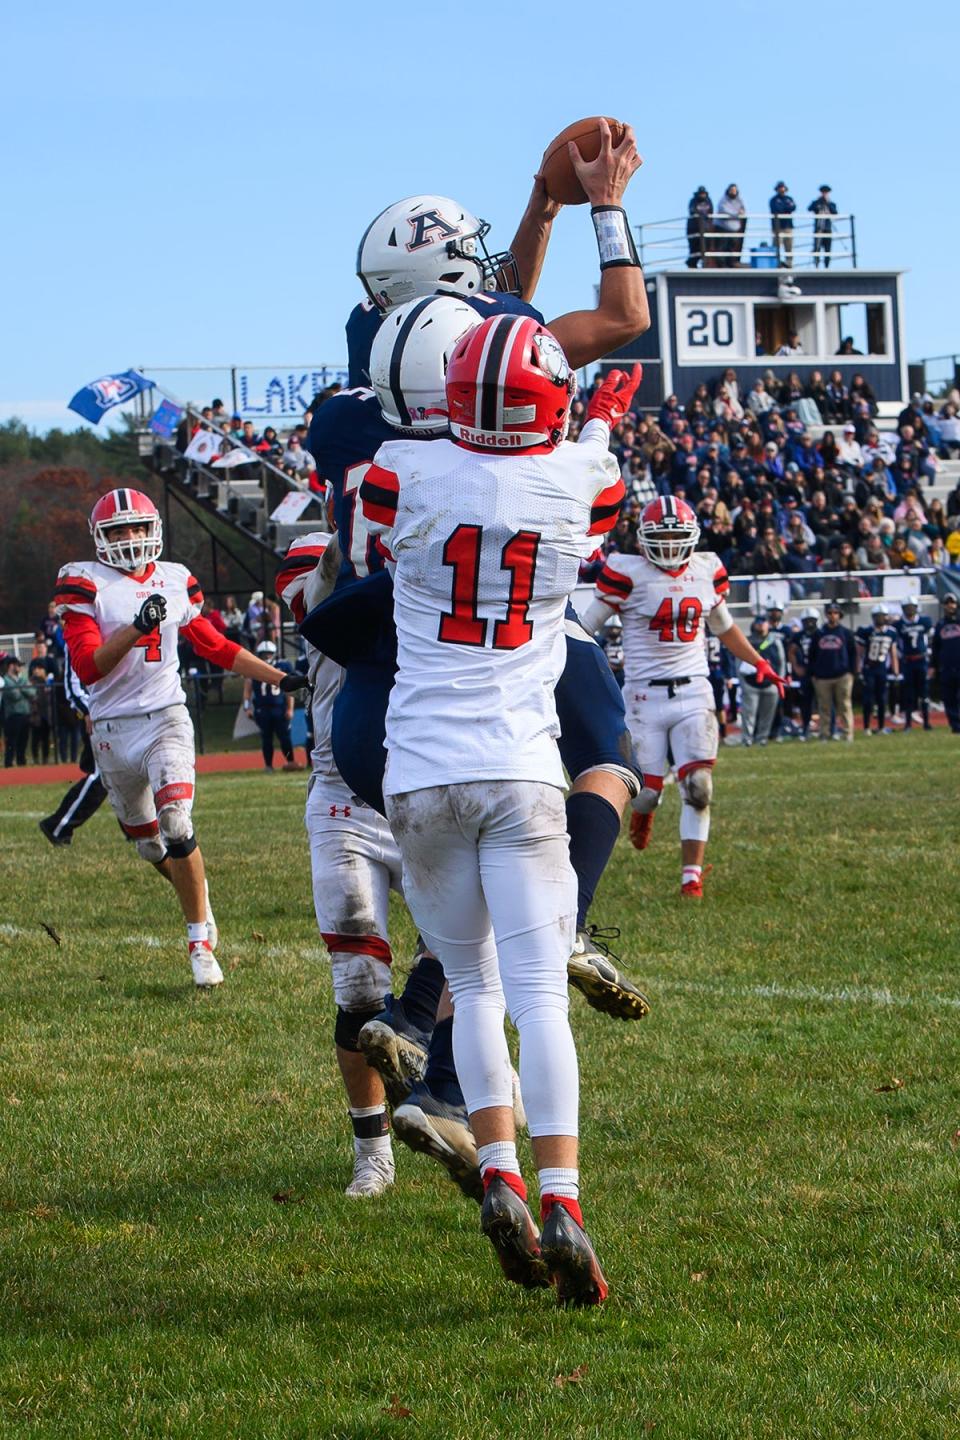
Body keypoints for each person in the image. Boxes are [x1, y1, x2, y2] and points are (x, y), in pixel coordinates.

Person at [360, 317, 630, 1306]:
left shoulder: (402, 467)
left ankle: (501, 1171)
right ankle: (560, 1195)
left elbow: (389, 500)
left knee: (470, 994)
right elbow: (590, 478)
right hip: (521, 767)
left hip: (423, 768)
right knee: (539, 1000)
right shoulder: (583, 478)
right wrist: (592, 422)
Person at [53, 488, 308, 987]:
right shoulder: (85, 583)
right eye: (119, 531)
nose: (130, 539)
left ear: (154, 530)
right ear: (99, 538)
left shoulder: (174, 579)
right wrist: (134, 626)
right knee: (149, 846)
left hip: (165, 717)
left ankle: (198, 943)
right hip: (111, 730)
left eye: (137, 528)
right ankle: (201, 898)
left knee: (175, 820)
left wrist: (277, 677)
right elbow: (88, 668)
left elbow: (214, 644)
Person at [583, 495, 787, 897]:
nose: (672, 544)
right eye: (665, 535)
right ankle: (645, 815)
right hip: (644, 697)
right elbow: (588, 626)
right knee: (646, 795)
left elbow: (725, 627)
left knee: (699, 787)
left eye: (679, 535)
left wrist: (758, 661)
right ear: (643, 539)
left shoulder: (706, 570)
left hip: (694, 689)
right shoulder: (628, 572)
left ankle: (691, 878)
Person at [39, 649, 108, 846]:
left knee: (122, 775)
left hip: (114, 712)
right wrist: (87, 710)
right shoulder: (78, 630)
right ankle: (58, 825)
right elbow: (73, 683)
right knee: (103, 775)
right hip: (97, 716)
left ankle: (135, 829)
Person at [243, 640, 302, 770]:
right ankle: (268, 765)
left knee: (285, 737)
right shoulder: (253, 667)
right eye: (264, 654)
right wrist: (246, 708)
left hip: (279, 708)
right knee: (266, 738)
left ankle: (290, 762)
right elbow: (247, 690)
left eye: (269, 653)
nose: (266, 656)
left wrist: (290, 708)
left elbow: (289, 690)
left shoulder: (282, 666)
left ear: (274, 654)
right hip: (262, 709)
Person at [809, 601, 857, 741]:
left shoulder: (846, 633)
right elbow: (812, 655)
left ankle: (847, 733)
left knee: (845, 706)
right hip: (822, 676)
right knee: (824, 708)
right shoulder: (819, 633)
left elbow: (853, 653)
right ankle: (824, 734)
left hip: (842, 675)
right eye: (830, 613)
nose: (832, 616)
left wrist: (852, 672)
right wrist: (813, 673)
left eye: (835, 613)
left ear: (839, 615)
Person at [737, 615, 787, 746]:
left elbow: (781, 662)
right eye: (758, 623)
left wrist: (779, 680)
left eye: (763, 623)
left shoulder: (774, 641)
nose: (760, 625)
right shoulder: (748, 641)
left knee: (768, 714)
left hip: (770, 684)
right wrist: (743, 683)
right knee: (749, 714)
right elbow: (739, 663)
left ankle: (762, 738)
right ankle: (747, 739)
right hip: (751, 683)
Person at [857, 603, 900, 735]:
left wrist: (896, 670)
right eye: (878, 616)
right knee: (868, 700)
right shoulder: (866, 632)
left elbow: (893, 653)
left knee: (882, 700)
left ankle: (881, 727)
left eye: (882, 616)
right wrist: (858, 670)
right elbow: (860, 653)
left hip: (882, 669)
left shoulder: (891, 633)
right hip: (869, 668)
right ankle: (866, 727)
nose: (880, 619)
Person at [896, 596, 933, 731]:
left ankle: (927, 722)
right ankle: (908, 724)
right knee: (908, 694)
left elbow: (930, 638)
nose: (910, 610)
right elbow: (896, 644)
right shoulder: (899, 625)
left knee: (924, 693)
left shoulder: (924, 621)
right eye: (907, 607)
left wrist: (928, 653)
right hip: (908, 661)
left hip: (921, 660)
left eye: (912, 607)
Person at [789, 608, 821, 738]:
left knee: (825, 702)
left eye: (812, 621)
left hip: (821, 671)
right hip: (806, 671)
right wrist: (796, 666)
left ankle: (829, 727)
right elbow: (791, 651)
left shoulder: (821, 634)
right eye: (806, 621)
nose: (809, 624)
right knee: (805, 702)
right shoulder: (799, 636)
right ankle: (806, 727)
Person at [932, 593, 960, 733]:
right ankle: (955, 726)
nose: (950, 606)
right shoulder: (940, 625)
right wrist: (933, 666)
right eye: (947, 603)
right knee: (949, 698)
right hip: (946, 667)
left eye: (952, 603)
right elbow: (936, 647)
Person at [0, 656, 33, 767]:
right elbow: (14, 695)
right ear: (11, 666)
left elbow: (33, 692)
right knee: (12, 742)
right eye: (18, 665)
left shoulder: (23, 678)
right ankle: (9, 764)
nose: (20, 667)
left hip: (25, 714)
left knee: (23, 741)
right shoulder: (5, 680)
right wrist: (24, 688)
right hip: (13, 716)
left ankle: (21, 763)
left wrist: (20, 688)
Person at [714, 184, 746, 266]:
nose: (733, 192)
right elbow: (724, 210)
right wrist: (735, 214)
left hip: (734, 229)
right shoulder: (723, 200)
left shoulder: (739, 200)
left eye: (734, 190)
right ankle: (721, 264)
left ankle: (730, 263)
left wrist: (740, 213)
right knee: (721, 247)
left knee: (732, 247)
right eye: (731, 190)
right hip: (723, 227)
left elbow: (742, 210)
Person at [808, 185, 837, 268]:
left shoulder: (831, 203)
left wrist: (827, 202)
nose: (824, 194)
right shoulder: (817, 202)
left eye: (826, 192)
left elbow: (835, 212)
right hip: (818, 228)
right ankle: (816, 265)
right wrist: (819, 201)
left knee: (827, 249)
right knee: (817, 248)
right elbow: (810, 208)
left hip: (827, 228)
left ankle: (826, 266)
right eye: (823, 192)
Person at [769, 181, 796, 267]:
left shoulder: (789, 198)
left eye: (783, 187)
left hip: (788, 226)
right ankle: (776, 263)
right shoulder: (773, 200)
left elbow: (793, 207)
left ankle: (789, 263)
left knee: (789, 246)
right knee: (777, 245)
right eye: (780, 188)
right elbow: (777, 209)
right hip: (778, 227)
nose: (782, 189)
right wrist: (786, 208)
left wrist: (785, 208)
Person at [686, 186, 713, 268]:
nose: (702, 195)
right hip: (693, 228)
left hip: (706, 229)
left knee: (706, 247)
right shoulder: (693, 201)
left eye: (703, 194)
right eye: (701, 194)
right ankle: (691, 264)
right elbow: (692, 211)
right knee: (694, 248)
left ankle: (705, 263)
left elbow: (711, 212)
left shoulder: (708, 201)